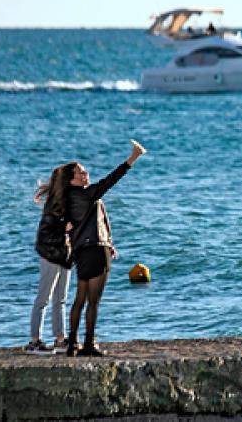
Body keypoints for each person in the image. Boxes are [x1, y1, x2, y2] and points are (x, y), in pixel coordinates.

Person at [65, 140, 146, 356]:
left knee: (80, 298)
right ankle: (89, 344)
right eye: (81, 174)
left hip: (82, 251)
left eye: (85, 172)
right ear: (71, 179)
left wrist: (109, 240)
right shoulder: (86, 194)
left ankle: (72, 344)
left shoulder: (69, 198)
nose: (86, 175)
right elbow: (111, 180)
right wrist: (133, 158)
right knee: (93, 301)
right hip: (96, 250)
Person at [26, 165, 76, 355]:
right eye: (77, 173)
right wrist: (65, 226)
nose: (82, 175)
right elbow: (46, 230)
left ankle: (60, 339)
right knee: (43, 298)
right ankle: (34, 341)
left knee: (60, 299)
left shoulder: (67, 198)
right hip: (51, 254)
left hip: (64, 255)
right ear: (68, 179)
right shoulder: (56, 202)